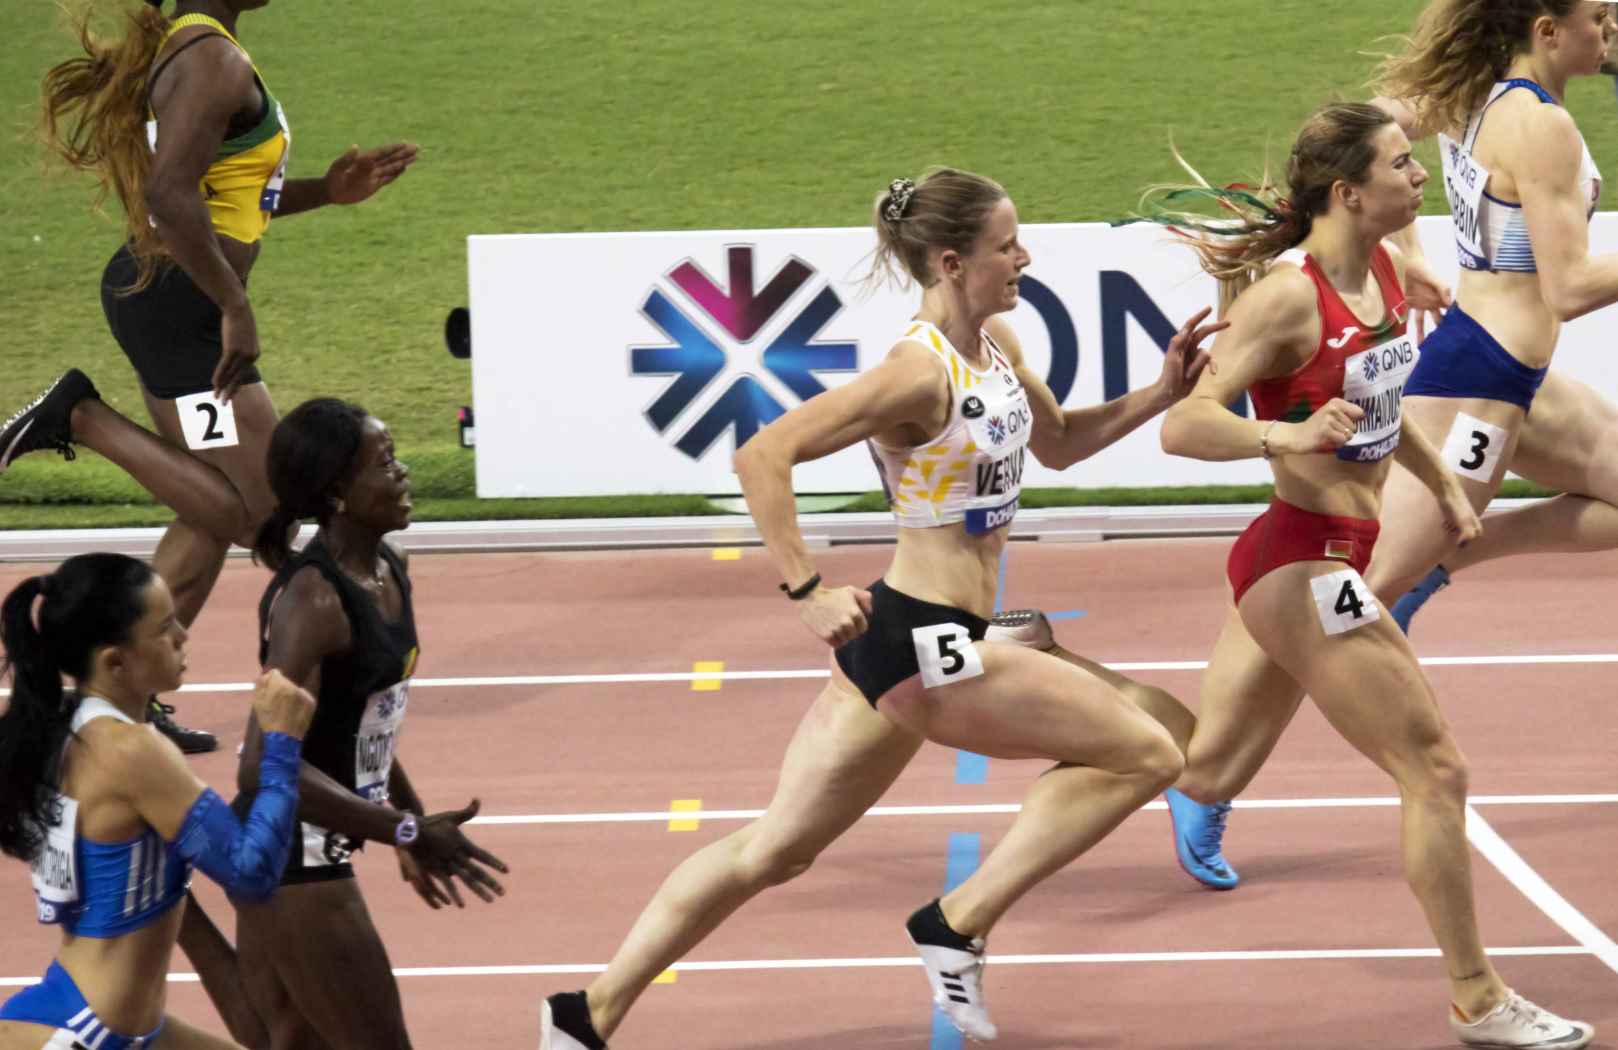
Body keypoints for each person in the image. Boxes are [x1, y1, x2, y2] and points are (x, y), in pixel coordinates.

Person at [539, 168, 1224, 1049]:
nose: (1024, 257)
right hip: (928, 643)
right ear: (951, 263)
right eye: (1006, 246)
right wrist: (806, 590)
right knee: (1149, 750)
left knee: (776, 849)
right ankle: (956, 922)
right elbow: (762, 455)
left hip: (910, 639)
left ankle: (585, 1014)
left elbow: (1058, 444)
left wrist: (1160, 394)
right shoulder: (915, 374)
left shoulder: (998, 345)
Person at [1146, 101, 1593, 1048]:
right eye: (1400, 164)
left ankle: (1119, 751)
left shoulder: (1385, 270)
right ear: (1350, 192)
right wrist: (1286, 435)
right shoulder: (1287, 297)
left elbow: (1390, 407)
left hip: (1342, 556)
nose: (1421, 174)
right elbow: (1185, 425)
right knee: (1435, 769)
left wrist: (1447, 488)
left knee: (1230, 762)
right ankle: (1477, 999)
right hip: (1300, 562)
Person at [4, 0, 417, 752]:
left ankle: (119, 697)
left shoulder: (200, 47)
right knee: (266, 515)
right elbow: (168, 196)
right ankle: (81, 416)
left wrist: (327, 191)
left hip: (174, 303)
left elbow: (220, 195)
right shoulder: (212, 58)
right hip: (181, 310)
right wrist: (234, 304)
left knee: (210, 512)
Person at [227, 399, 508, 1050]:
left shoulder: (390, 567)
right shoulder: (313, 602)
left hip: (308, 842)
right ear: (337, 493)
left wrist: (408, 818)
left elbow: (366, 720)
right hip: (292, 851)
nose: (402, 472)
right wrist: (403, 829)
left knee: (289, 1044)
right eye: (384, 463)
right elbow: (262, 767)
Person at [1367, 0, 1618, 632]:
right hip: (1476, 386)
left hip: (1509, 373)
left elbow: (1369, 124)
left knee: (1381, 584)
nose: (1611, 26)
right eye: (1599, 16)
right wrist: (1398, 250)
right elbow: (1570, 290)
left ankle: (1451, 556)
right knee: (1362, 594)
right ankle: (1245, 685)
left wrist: (1406, 249)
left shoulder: (1470, 93)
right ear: (1547, 30)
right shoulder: (1540, 124)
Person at [0, 552, 315, 1050]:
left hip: (95, 1015)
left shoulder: (65, 729)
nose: (183, 636)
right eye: (166, 628)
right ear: (115, 661)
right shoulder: (131, 750)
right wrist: (282, 743)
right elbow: (251, 874)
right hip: (86, 1033)